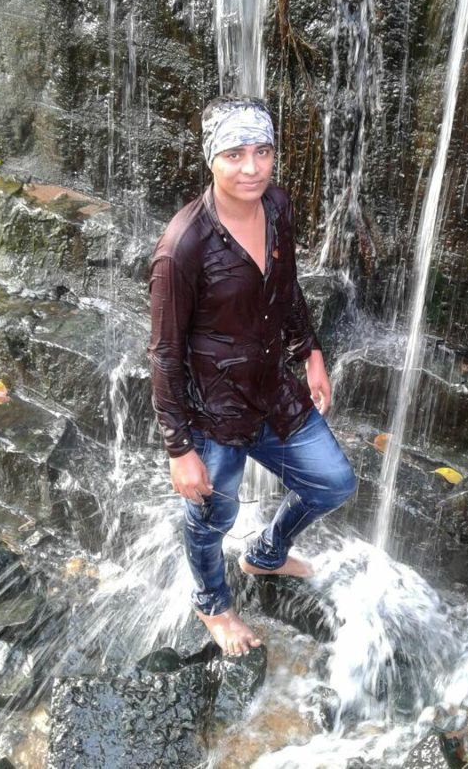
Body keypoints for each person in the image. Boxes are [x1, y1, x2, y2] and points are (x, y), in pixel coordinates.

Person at [146, 96, 356, 657]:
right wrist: (179, 449)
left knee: (333, 482)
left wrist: (310, 350)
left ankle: (265, 554)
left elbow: (286, 288)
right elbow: (163, 354)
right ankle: (212, 604)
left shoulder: (277, 207)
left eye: (262, 151)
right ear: (211, 159)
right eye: (235, 154)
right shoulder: (182, 247)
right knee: (213, 515)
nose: (252, 168)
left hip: (271, 389)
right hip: (212, 411)